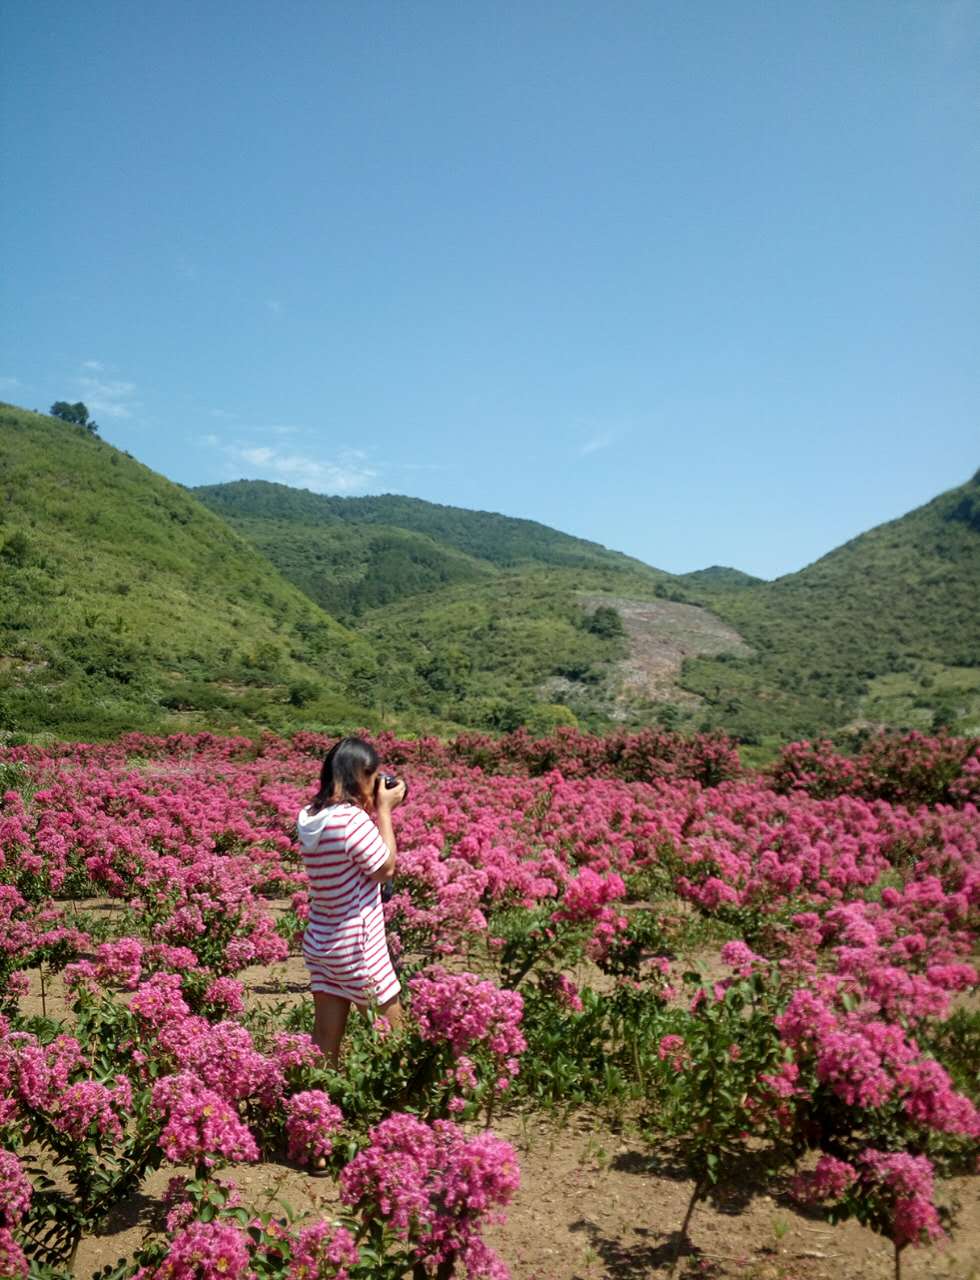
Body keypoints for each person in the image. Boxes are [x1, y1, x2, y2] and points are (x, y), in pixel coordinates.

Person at [296, 735, 406, 1070]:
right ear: (360, 776)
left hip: (322, 943)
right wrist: (384, 810)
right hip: (359, 947)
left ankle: (318, 1100)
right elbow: (385, 868)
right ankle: (398, 1107)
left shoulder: (309, 816)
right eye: (374, 779)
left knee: (325, 1038)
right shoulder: (352, 820)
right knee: (393, 1039)